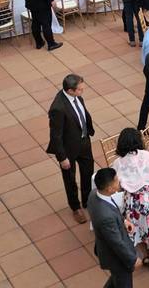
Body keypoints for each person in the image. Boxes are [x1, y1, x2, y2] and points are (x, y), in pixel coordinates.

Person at [112, 128, 149, 266]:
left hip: (133, 202)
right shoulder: (147, 155)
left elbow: (118, 187)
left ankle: (145, 256)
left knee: (136, 231)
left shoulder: (117, 163)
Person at [46, 74, 95, 223]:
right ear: (70, 90)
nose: (82, 92)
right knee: (70, 179)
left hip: (83, 142)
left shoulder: (77, 97)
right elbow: (56, 136)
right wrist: (62, 157)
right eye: (80, 90)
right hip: (68, 150)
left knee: (88, 172)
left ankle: (87, 200)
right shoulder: (58, 108)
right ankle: (75, 207)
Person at [88, 168, 141, 287]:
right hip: (116, 258)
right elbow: (117, 243)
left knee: (116, 279)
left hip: (106, 247)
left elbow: (112, 209)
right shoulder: (106, 217)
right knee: (123, 281)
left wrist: (123, 221)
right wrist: (133, 259)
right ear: (109, 189)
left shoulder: (94, 194)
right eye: (116, 180)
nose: (119, 181)